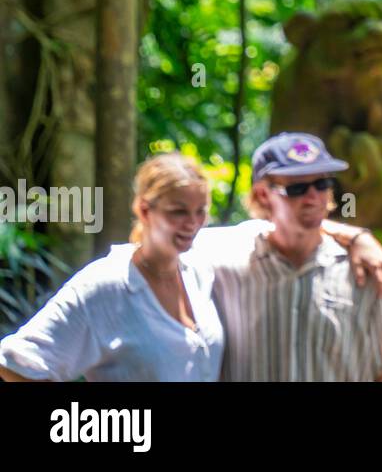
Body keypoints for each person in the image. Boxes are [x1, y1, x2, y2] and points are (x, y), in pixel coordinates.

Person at [191, 132, 382, 381]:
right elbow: (162, 243)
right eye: (297, 188)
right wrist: (354, 234)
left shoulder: (367, 270)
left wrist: (358, 237)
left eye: (322, 184)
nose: (313, 197)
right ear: (263, 195)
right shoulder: (221, 261)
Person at [0, 154, 223, 381]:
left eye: (201, 211)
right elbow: (16, 363)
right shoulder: (106, 285)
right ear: (145, 211)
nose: (193, 223)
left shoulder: (199, 273)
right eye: (179, 211)